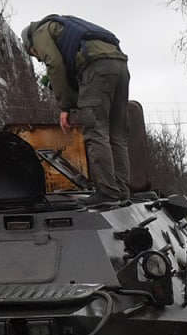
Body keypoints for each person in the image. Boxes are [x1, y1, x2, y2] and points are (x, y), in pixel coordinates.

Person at [21, 14, 130, 203]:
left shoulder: (39, 32)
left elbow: (54, 64)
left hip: (96, 66)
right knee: (116, 135)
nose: (38, 58)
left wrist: (66, 107)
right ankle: (121, 190)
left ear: (30, 45)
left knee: (95, 132)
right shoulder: (65, 26)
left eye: (34, 54)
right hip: (120, 66)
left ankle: (108, 192)